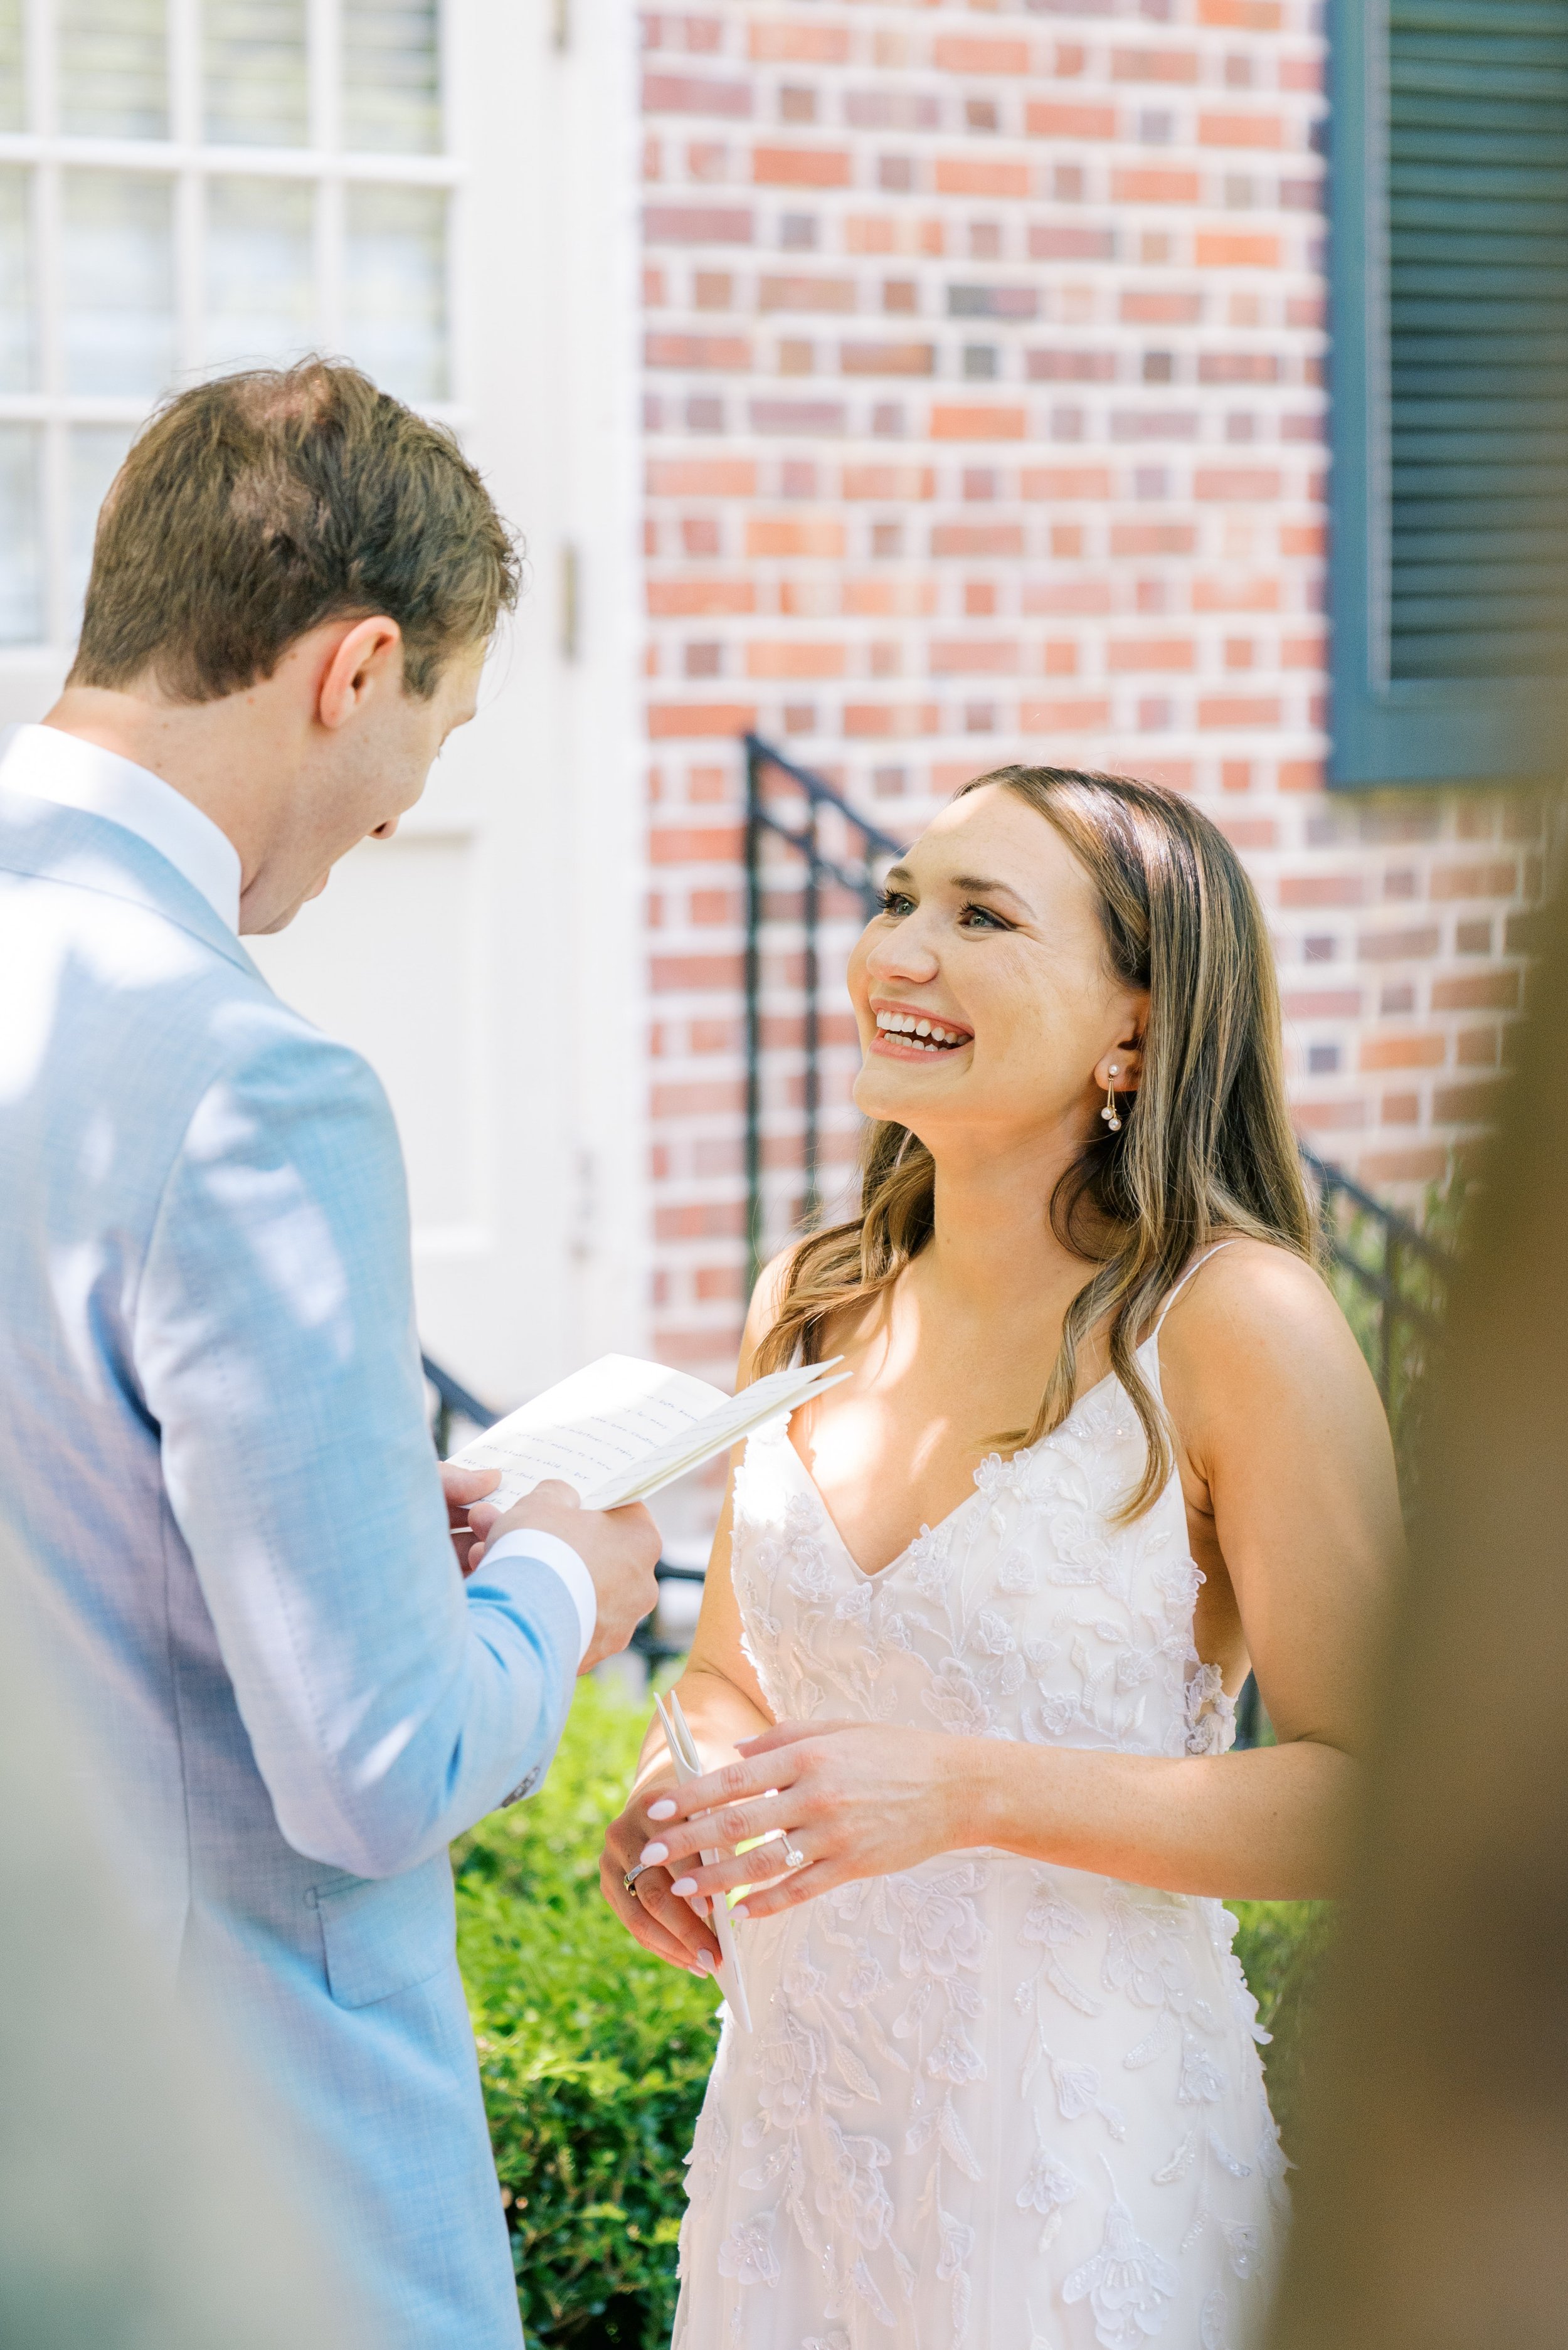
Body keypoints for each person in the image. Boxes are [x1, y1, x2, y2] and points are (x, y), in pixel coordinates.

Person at [0, 360, 660, 2350]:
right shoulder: (248, 1082)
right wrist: (566, 1567)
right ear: (355, 665)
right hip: (243, 2194)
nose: (402, 814)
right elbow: (377, 1765)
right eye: (435, 738)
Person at [601, 766, 1402, 2349]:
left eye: (981, 917)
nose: (901, 949)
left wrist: (963, 1790)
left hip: (1080, 2172)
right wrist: (677, 1789)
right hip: (799, 2147)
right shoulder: (809, 1302)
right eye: (899, 897)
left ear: (1134, 1026)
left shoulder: (1234, 1325)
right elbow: (731, 1672)